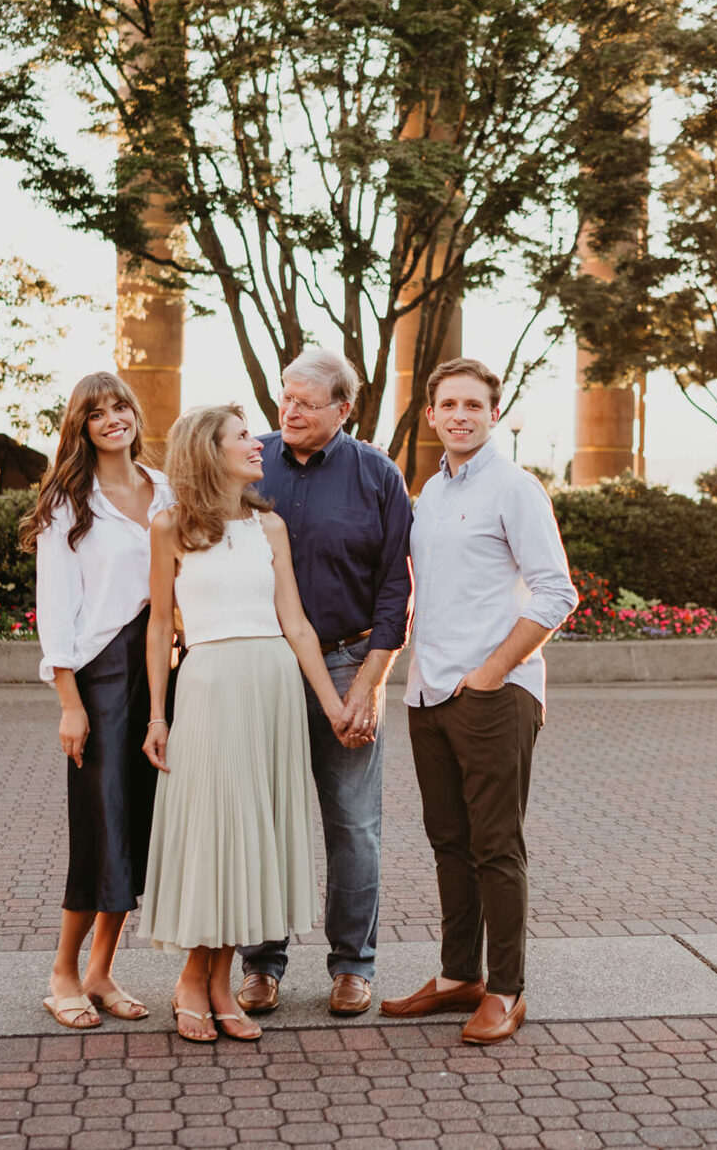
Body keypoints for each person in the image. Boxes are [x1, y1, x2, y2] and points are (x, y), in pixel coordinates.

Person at [379, 357, 578, 1045]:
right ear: (430, 414)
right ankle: (458, 973)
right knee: (449, 842)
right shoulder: (429, 493)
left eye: (473, 403)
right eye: (447, 404)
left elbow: (557, 591)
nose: (460, 414)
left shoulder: (515, 488)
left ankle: (506, 988)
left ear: (493, 413)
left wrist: (494, 671)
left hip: (492, 693)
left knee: (497, 845)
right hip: (429, 692)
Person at [139, 404, 338, 1042]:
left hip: (272, 686)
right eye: (243, 436)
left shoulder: (270, 527)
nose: (259, 444)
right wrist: (156, 714)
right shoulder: (168, 527)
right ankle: (192, 982)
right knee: (215, 832)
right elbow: (158, 628)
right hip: (209, 686)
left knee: (249, 835)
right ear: (208, 451)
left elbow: (297, 624)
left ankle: (219, 983)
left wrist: (333, 707)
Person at [237, 350, 412, 1018]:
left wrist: (369, 683)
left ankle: (352, 965)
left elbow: (398, 586)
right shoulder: (249, 460)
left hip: (347, 663)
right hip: (264, 667)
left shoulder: (377, 474)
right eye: (286, 396)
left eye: (308, 401)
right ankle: (260, 962)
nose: (290, 410)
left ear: (344, 409)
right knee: (264, 818)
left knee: (353, 825)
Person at [20, 372, 174, 1030]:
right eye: (97, 412)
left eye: (120, 407)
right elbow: (54, 608)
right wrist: (69, 702)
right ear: (81, 427)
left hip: (162, 673)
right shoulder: (67, 501)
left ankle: (102, 969)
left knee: (139, 829)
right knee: (98, 830)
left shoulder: (164, 486)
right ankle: (62, 971)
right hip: (101, 678)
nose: (113, 419)